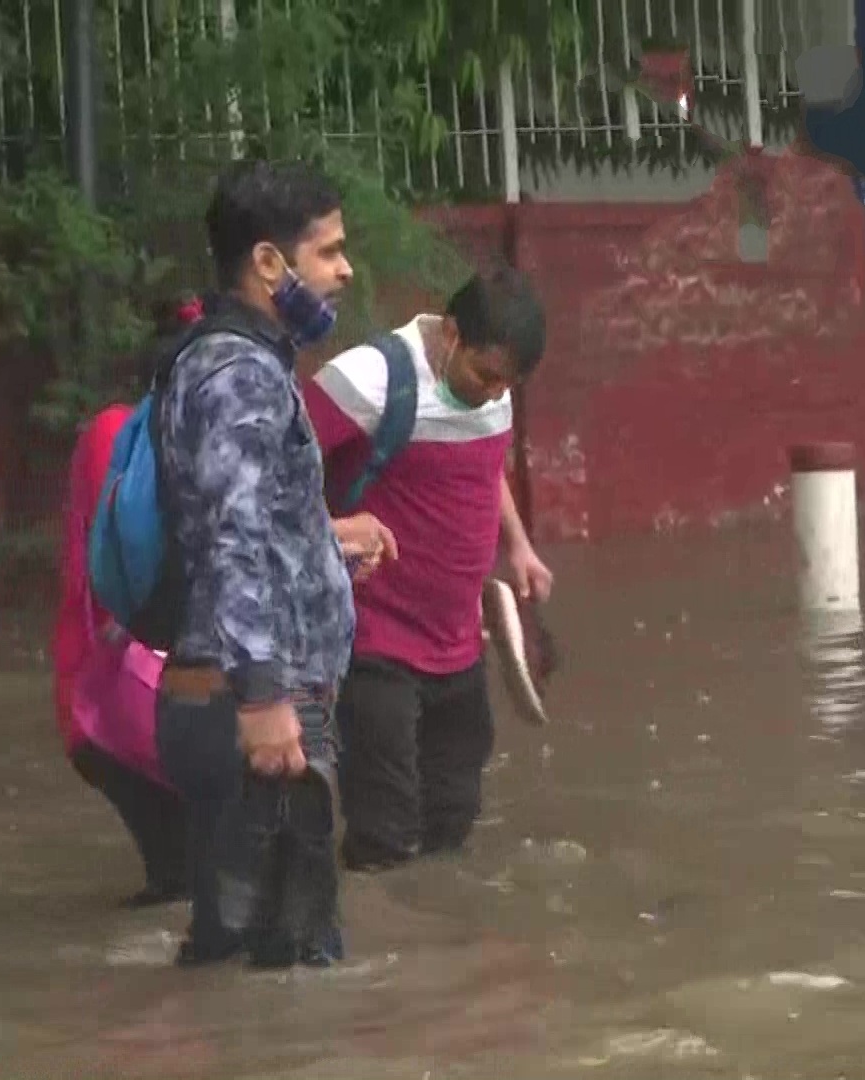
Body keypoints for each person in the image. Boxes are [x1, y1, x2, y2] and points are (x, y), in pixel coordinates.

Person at [152, 159, 390, 969]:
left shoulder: (234, 361)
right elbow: (232, 539)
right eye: (328, 252)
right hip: (254, 706)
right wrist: (264, 701)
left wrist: (325, 542)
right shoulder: (239, 375)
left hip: (242, 695)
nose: (345, 270)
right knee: (287, 973)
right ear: (268, 263)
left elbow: (244, 519)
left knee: (244, 968)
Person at [302, 268, 552, 872]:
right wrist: (329, 535)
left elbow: (484, 470)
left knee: (452, 823)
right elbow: (272, 467)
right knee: (383, 837)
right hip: (374, 642)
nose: (494, 394)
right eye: (485, 376)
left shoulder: (495, 389)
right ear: (452, 333)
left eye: (508, 384)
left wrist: (518, 545)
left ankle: (439, 951)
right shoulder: (366, 380)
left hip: (460, 643)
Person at [54, 401, 187, 908]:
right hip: (116, 705)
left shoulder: (150, 433)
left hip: (139, 697)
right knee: (189, 885)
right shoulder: (120, 434)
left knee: (192, 887)